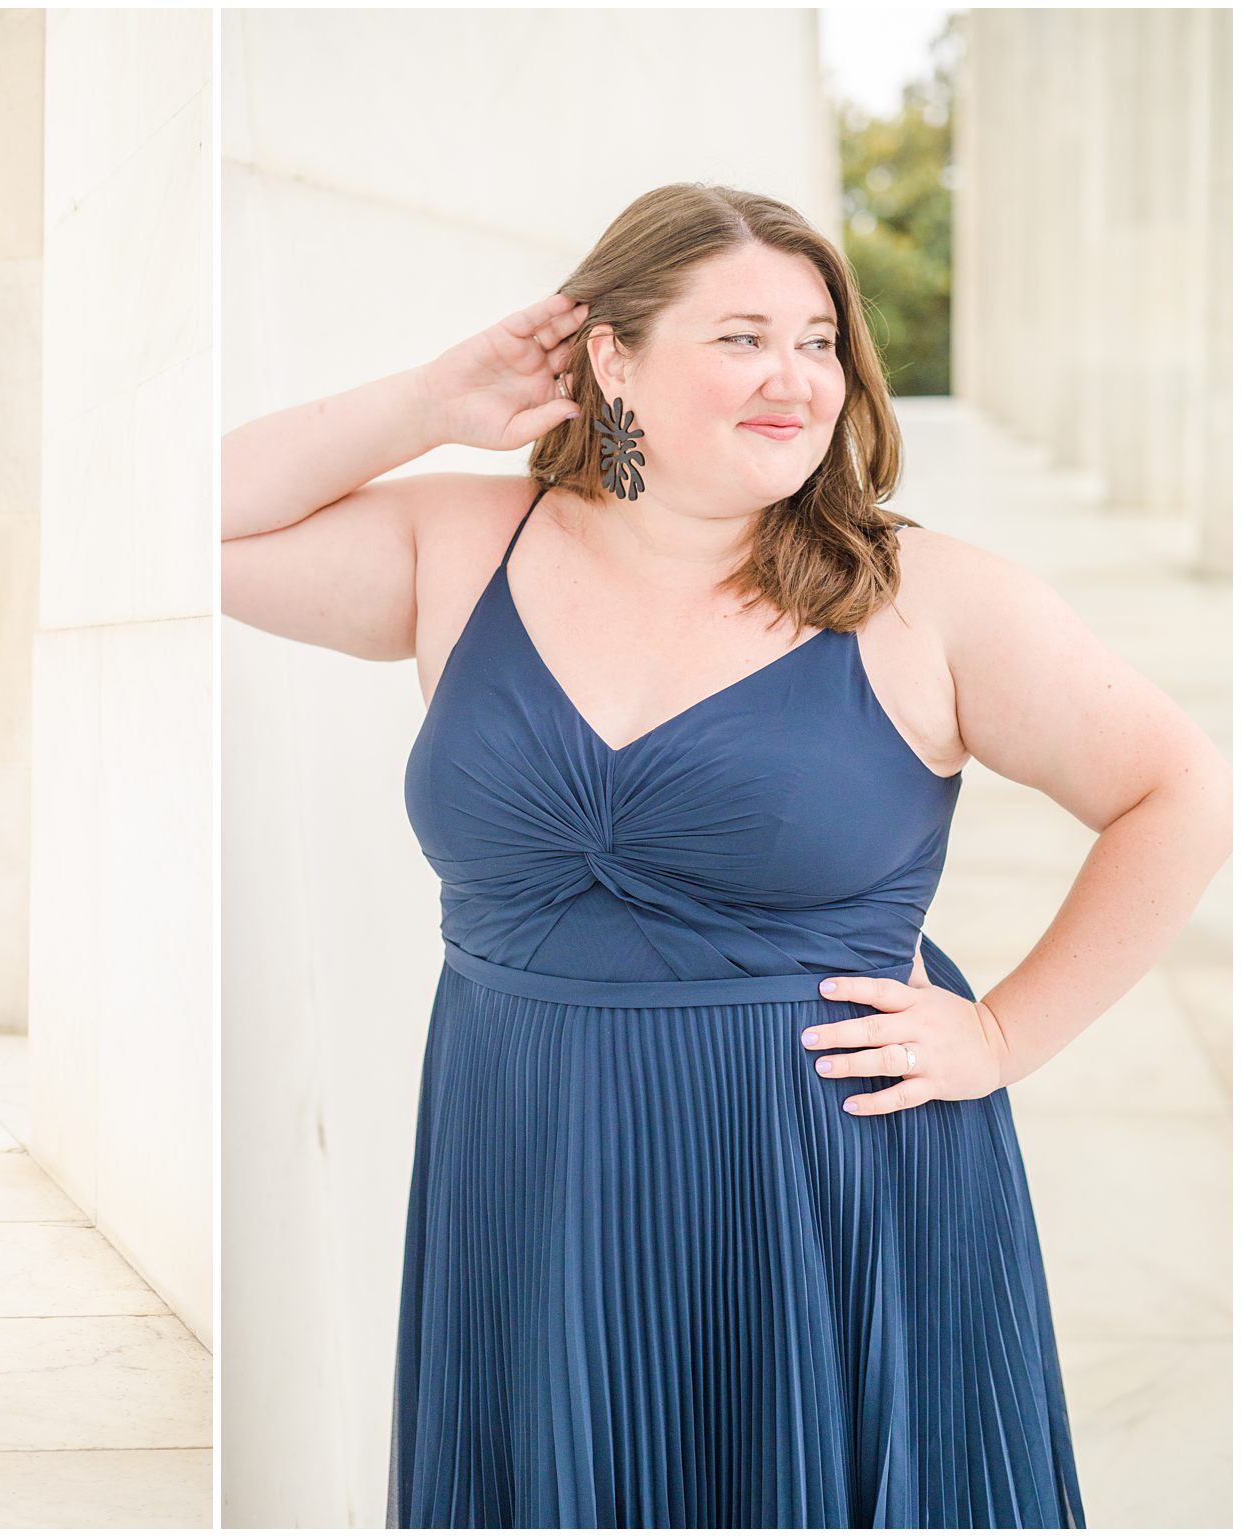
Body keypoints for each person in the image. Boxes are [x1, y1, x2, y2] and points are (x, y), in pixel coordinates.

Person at [222, 183, 1230, 1527]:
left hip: (822, 1196)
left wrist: (999, 1035)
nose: (795, 379)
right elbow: (192, 524)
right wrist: (426, 401)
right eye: (743, 337)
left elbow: (1179, 789)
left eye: (818, 342)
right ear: (611, 355)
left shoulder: (925, 598)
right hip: (532, 1171)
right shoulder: (465, 546)